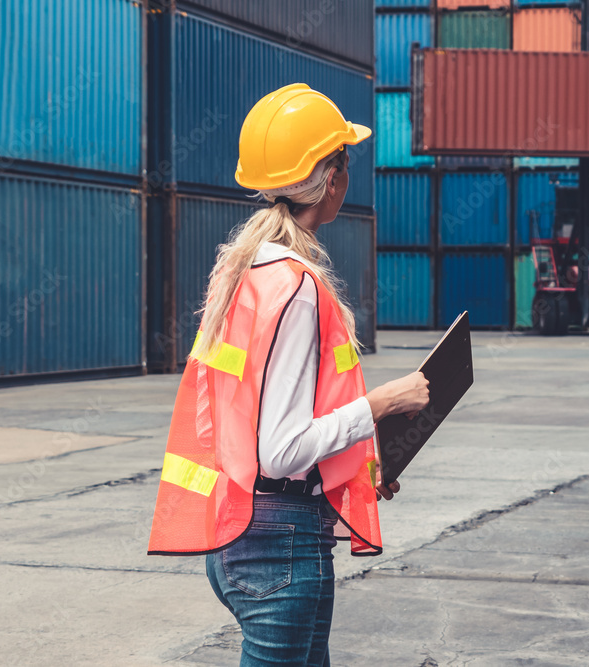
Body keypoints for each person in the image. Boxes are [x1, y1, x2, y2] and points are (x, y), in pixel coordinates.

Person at [147, 83, 430, 666]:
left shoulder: (245, 272)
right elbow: (280, 450)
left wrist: (363, 463)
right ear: (332, 180)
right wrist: (381, 404)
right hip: (279, 544)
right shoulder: (298, 288)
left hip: (243, 532)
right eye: (345, 163)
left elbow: (252, 427)